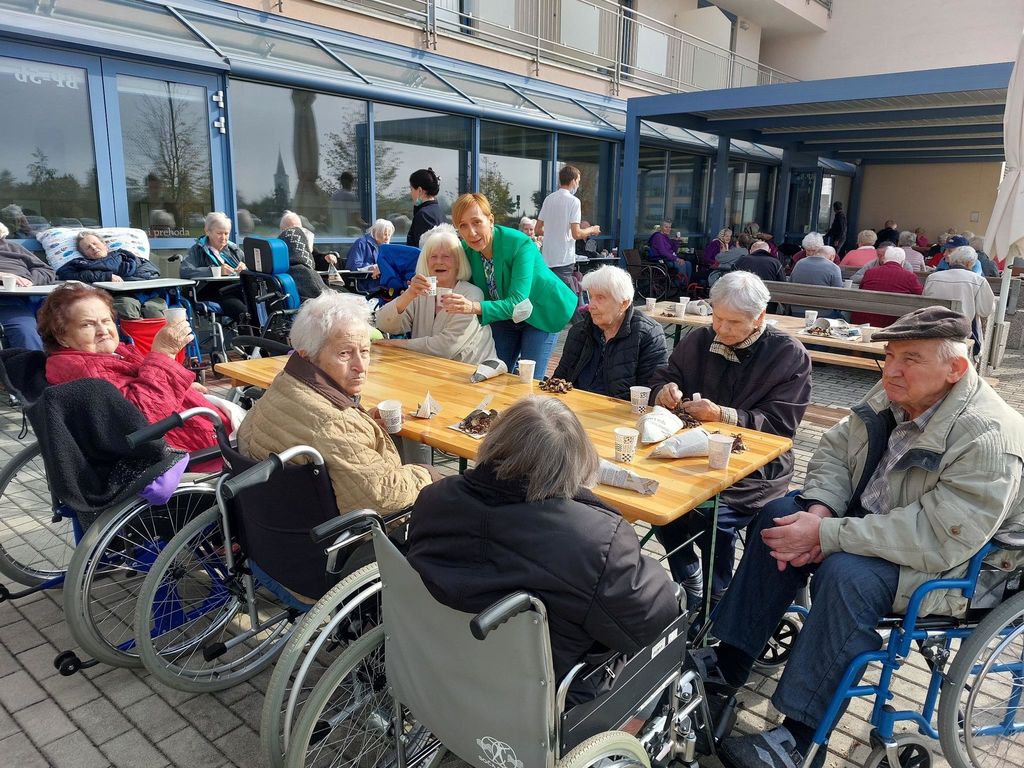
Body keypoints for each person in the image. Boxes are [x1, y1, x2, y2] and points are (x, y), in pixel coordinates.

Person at [700, 307, 1024, 768]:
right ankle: (727, 667)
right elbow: (834, 449)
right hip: (871, 522)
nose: (892, 370)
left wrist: (827, 535)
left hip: (961, 566)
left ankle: (799, 738)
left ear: (956, 369)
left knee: (847, 575)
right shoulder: (894, 391)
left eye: (911, 359)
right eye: (889, 355)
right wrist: (820, 511)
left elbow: (939, 538)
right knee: (778, 517)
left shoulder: (988, 437)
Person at [407, 396, 680, 703]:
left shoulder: (433, 499)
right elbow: (652, 619)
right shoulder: (595, 541)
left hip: (438, 670)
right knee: (671, 613)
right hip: (539, 700)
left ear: (494, 440)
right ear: (576, 463)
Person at [649, 271, 811, 610]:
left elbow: (781, 425)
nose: (721, 328)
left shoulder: (788, 354)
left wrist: (723, 414)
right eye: (717, 317)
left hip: (756, 467)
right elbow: (666, 375)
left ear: (759, 317)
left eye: (733, 322)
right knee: (657, 501)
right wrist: (664, 390)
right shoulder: (699, 339)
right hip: (692, 455)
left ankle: (717, 594)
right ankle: (689, 576)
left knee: (712, 516)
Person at [237, 291, 437, 517]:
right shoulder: (334, 424)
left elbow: (321, 431)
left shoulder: (285, 383)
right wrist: (428, 474)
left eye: (365, 351)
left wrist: (364, 422)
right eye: (345, 353)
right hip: (340, 532)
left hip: (274, 517)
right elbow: (382, 497)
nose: (361, 366)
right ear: (308, 355)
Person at [38, 284, 230, 465]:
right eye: (87, 325)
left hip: (196, 428)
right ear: (62, 336)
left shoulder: (112, 353)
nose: (103, 331)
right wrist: (164, 353)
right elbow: (141, 420)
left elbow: (143, 384)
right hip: (197, 448)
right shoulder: (85, 370)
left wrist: (181, 386)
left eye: (106, 321)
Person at [441, 192, 576, 379]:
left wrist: (472, 307)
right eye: (463, 226)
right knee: (493, 373)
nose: (471, 232)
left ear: (490, 220)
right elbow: (448, 276)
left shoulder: (520, 243)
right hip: (504, 317)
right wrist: (421, 284)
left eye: (477, 222)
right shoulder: (466, 251)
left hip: (541, 311)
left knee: (528, 380)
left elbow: (518, 303)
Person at [375, 223, 496, 364]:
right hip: (430, 368)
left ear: (458, 262)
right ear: (426, 262)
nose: (439, 261)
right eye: (433, 256)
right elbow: (384, 324)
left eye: (446, 256)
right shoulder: (421, 290)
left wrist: (397, 344)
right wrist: (408, 295)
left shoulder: (471, 294)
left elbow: (446, 348)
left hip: (473, 371)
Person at [552, 265, 667, 399]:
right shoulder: (579, 331)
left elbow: (651, 392)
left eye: (600, 297)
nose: (591, 305)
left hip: (620, 411)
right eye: (591, 297)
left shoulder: (648, 335)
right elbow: (559, 379)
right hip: (574, 405)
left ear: (624, 303)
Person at [57, 231, 164, 319]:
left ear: (104, 244)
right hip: (120, 296)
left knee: (153, 310)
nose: (93, 247)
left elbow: (152, 270)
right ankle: (136, 337)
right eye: (88, 247)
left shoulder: (124, 255)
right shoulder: (82, 264)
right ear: (84, 254)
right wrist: (106, 276)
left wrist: (126, 280)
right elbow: (63, 273)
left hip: (145, 292)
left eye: (95, 243)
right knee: (126, 307)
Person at [537, 165, 601, 292]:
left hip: (547, 258)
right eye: (578, 181)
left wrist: (554, 233)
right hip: (563, 259)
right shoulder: (574, 201)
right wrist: (592, 230)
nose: (578, 185)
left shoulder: (548, 199)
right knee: (563, 297)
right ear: (573, 181)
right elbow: (576, 234)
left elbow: (538, 229)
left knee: (549, 294)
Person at [924, 245, 995, 354]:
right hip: (961, 332)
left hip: (932, 328)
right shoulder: (978, 280)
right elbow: (985, 311)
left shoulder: (932, 277)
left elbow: (925, 305)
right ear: (969, 263)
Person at [180, 212, 247, 323]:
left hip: (235, 288)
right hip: (209, 291)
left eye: (226, 233)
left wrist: (245, 268)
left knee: (257, 303)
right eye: (219, 233)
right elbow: (185, 271)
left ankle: (259, 332)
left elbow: (252, 268)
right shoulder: (197, 250)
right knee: (241, 310)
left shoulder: (234, 250)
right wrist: (216, 270)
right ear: (207, 231)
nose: (223, 237)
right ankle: (250, 333)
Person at [0, 221, 56, 350]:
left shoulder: (13, 247)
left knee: (73, 318)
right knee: (25, 330)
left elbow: (47, 271)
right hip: (7, 302)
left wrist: (29, 280)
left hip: (33, 296)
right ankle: (35, 363)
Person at [851, 247, 924, 327]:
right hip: (894, 323)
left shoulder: (870, 272)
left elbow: (861, 289)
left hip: (863, 320)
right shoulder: (910, 277)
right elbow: (921, 295)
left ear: (884, 259)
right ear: (903, 262)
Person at [277, 212, 330, 300]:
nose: (296, 232)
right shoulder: (302, 270)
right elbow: (323, 297)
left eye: (298, 228)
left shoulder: (277, 261)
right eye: (291, 228)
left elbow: (319, 257)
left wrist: (329, 257)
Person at [789, 245, 842, 317]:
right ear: (832, 256)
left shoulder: (799, 263)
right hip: (823, 313)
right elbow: (838, 293)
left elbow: (790, 284)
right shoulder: (834, 267)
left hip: (796, 311)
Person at [345, 219, 391, 294]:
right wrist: (371, 267)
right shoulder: (361, 243)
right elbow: (352, 266)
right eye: (385, 234)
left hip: (384, 286)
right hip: (367, 286)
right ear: (377, 232)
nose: (387, 238)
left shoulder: (385, 248)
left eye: (389, 235)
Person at [647, 220, 691, 289]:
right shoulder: (658, 237)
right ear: (661, 228)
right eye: (666, 227)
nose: (668, 229)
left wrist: (676, 241)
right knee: (681, 264)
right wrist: (676, 259)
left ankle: (686, 285)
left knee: (688, 264)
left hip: (668, 258)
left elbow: (673, 251)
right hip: (660, 259)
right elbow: (663, 252)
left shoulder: (665, 237)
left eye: (669, 227)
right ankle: (678, 286)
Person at [407, 168, 443, 248]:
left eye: (411, 189)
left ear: (420, 190)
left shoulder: (424, 215)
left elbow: (425, 250)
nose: (410, 193)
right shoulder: (438, 211)